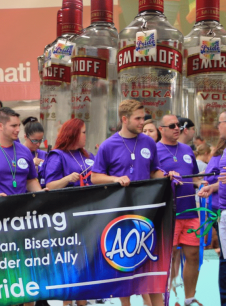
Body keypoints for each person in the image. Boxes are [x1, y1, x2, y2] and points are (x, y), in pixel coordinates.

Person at [91, 99, 176, 306]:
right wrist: (115, 179)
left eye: (143, 118)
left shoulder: (148, 142)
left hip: (148, 212)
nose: (142, 122)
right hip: (120, 214)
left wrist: (165, 175)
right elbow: (95, 177)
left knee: (152, 263)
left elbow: (154, 170)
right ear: (124, 119)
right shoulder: (108, 145)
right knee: (125, 264)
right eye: (138, 119)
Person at [156, 115, 204, 306]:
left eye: (179, 125)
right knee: (169, 258)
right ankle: (169, 298)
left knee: (193, 255)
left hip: (190, 211)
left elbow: (193, 178)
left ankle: (189, 298)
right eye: (172, 126)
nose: (178, 128)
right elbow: (152, 177)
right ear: (161, 129)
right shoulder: (155, 150)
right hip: (169, 214)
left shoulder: (186, 150)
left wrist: (204, 185)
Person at [197, 111, 226, 305]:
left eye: (221, 122)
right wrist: (212, 187)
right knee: (224, 261)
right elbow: (218, 179)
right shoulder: (222, 149)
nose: (218, 126)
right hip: (222, 210)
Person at [44, 118, 95, 190]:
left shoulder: (88, 155)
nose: (86, 136)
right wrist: (68, 179)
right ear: (74, 134)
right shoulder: (57, 156)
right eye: (84, 132)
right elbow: (50, 186)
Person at [22, 117, 47, 187]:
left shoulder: (43, 154)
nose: (38, 144)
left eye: (40, 140)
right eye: (35, 140)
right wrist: (31, 164)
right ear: (25, 136)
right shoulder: (17, 153)